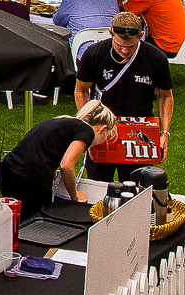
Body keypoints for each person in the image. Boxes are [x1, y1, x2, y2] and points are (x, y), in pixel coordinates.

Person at [74, 13, 174, 178]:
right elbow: (81, 90)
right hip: (102, 128)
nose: (125, 50)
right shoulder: (94, 54)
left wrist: (164, 133)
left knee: (136, 192)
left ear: (141, 36)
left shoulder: (156, 58)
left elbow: (165, 96)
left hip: (139, 132)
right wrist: (88, 128)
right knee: (99, 187)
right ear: (111, 32)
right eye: (119, 45)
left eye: (131, 46)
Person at [0, 101, 118, 218]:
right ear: (103, 129)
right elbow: (66, 166)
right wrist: (75, 196)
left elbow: (41, 149)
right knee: (34, 225)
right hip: (29, 181)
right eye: (106, 137)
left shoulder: (64, 122)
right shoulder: (88, 131)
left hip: (9, 172)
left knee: (17, 222)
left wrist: (51, 170)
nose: (102, 142)